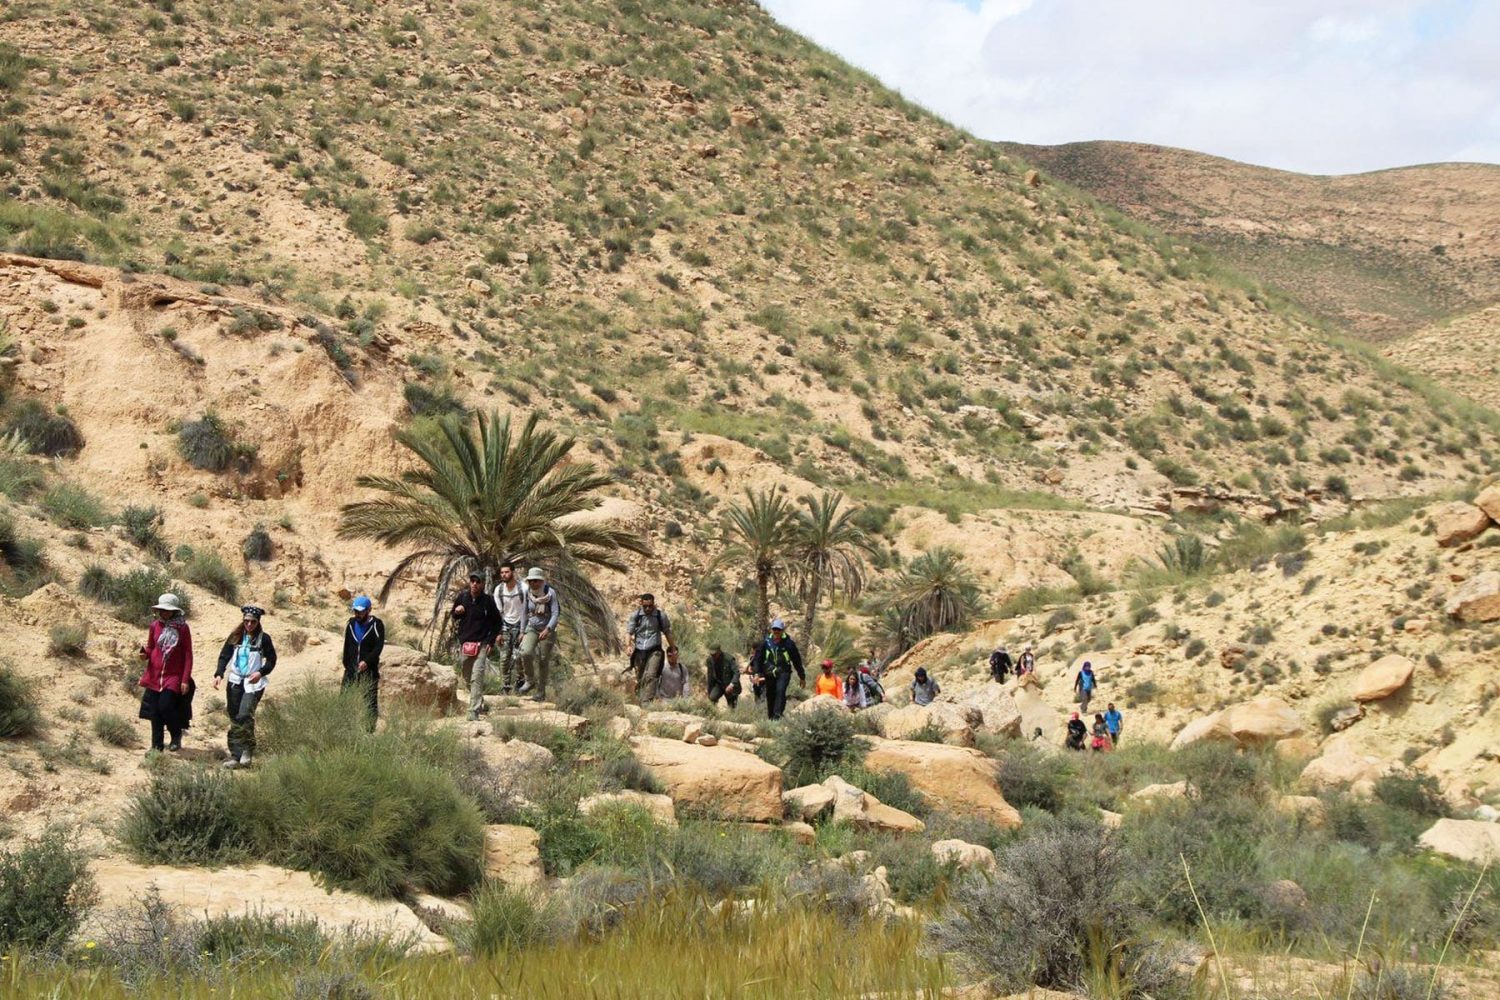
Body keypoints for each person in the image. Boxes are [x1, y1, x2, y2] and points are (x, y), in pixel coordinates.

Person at [213, 605, 276, 769]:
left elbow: (271, 660)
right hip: (235, 681)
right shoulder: (235, 637)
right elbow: (224, 655)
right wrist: (219, 673)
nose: (249, 625)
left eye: (252, 622)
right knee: (234, 716)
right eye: (246, 621)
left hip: (253, 683)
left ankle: (248, 749)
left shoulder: (264, 639)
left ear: (258, 622)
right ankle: (235, 754)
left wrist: (261, 673)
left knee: (244, 714)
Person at [138, 593, 194, 755]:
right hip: (154, 675)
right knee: (154, 712)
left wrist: (185, 679)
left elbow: (188, 654)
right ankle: (156, 747)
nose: (164, 613)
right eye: (162, 610)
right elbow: (150, 647)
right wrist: (144, 654)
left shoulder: (183, 628)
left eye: (167, 610)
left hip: (173, 676)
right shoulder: (155, 626)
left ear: (175, 611)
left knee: (166, 706)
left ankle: (176, 734)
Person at [453, 573, 501, 721]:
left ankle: (473, 711)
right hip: (466, 644)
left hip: (481, 644)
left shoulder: (488, 601)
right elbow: (454, 616)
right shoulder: (462, 598)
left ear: (483, 584)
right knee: (467, 677)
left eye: (478, 582)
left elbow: (497, 623)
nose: (474, 584)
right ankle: (479, 701)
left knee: (477, 677)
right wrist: (457, 611)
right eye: (472, 581)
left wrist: (490, 641)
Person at [342, 595, 385, 730]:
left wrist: (367, 661)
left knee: (370, 702)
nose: (357, 614)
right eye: (355, 611)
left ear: (368, 610)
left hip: (369, 670)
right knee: (344, 699)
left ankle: (369, 730)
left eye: (360, 611)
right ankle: (344, 728)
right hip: (351, 669)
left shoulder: (376, 625)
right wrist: (347, 664)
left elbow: (378, 647)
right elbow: (347, 645)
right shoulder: (350, 624)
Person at [518, 567, 559, 702]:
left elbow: (555, 613)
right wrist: (522, 631)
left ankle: (541, 692)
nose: (533, 584)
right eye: (531, 581)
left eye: (536, 581)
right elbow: (524, 613)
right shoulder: (527, 593)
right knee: (525, 652)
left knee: (543, 660)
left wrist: (548, 629)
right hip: (532, 627)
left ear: (541, 581)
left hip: (547, 630)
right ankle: (530, 680)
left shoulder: (550, 593)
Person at [626, 593, 676, 703]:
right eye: (645, 606)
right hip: (639, 651)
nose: (648, 608)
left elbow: (667, 632)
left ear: (654, 604)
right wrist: (628, 646)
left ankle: (646, 702)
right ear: (641, 604)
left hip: (655, 650)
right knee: (640, 676)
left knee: (651, 675)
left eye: (650, 606)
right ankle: (639, 699)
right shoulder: (636, 615)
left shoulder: (660, 616)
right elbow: (629, 632)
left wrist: (672, 647)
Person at [751, 618, 804, 720]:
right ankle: (771, 717)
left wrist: (802, 676)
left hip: (783, 672)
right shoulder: (766, 642)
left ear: (782, 630)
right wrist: (757, 673)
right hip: (769, 672)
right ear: (771, 630)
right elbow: (758, 658)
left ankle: (777, 716)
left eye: (778, 630)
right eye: (774, 629)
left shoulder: (789, 643)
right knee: (770, 694)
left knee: (780, 691)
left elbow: (796, 660)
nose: (776, 632)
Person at [491, 563, 526, 694]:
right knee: (504, 657)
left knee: (519, 657)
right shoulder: (498, 590)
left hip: (520, 626)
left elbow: (527, 610)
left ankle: (520, 682)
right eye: (502, 573)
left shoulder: (523, 588)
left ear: (513, 572)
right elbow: (498, 613)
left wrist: (524, 631)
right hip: (505, 626)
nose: (504, 575)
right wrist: (498, 632)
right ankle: (505, 685)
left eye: (506, 572)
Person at [704, 644, 741, 708]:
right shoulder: (710, 660)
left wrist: (731, 684)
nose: (713, 656)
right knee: (712, 698)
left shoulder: (729, 659)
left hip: (730, 685)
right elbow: (710, 677)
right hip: (719, 685)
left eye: (714, 654)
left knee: (732, 707)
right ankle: (714, 713)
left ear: (719, 652)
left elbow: (736, 673)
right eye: (711, 655)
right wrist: (709, 691)